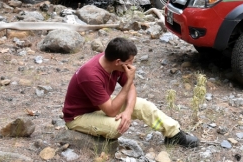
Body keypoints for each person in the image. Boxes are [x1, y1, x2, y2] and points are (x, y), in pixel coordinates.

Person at [62, 37, 199, 147]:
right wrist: (128, 82)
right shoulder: (90, 75)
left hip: (99, 107)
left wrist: (127, 112)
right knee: (117, 128)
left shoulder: (112, 61)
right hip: (78, 117)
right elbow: (111, 111)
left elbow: (131, 89)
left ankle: (174, 135)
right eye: (130, 61)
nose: (132, 65)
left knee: (144, 106)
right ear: (118, 62)